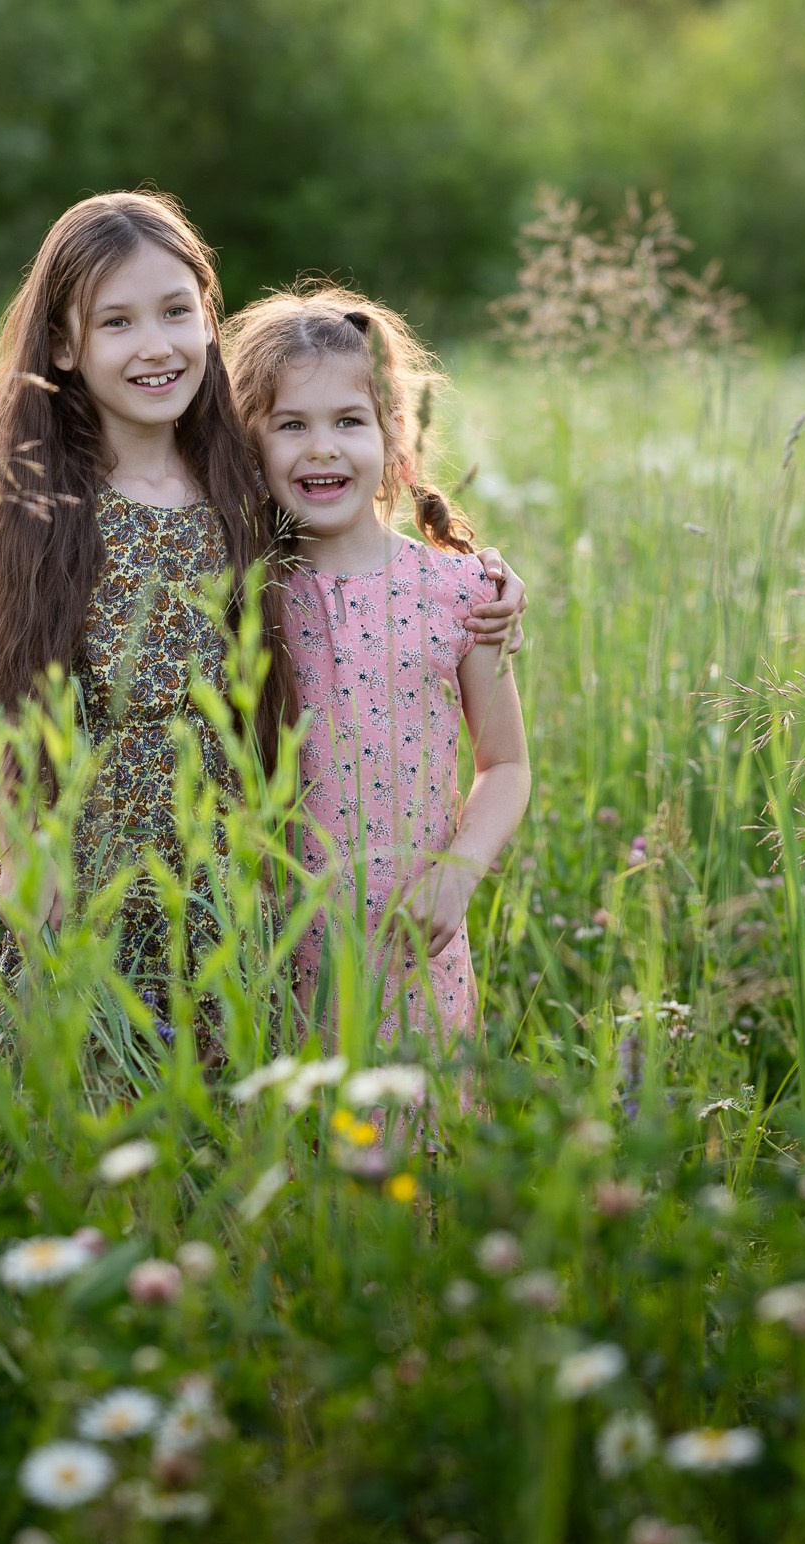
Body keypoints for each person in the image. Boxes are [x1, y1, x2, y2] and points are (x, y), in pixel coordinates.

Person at [0, 192, 525, 1012]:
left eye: (175, 311)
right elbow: (1, 690)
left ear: (208, 322)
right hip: (83, 892)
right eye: (117, 321)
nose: (156, 344)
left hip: (225, 906)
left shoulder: (238, 498)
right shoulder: (51, 502)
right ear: (63, 344)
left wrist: (487, 578)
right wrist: (19, 848)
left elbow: (358, 544)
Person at [223, 284, 531, 1049]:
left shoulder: (462, 590)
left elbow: (506, 764)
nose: (322, 447)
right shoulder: (241, 592)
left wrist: (458, 872)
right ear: (250, 443)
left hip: (414, 945)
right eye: (291, 424)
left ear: (394, 433)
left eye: (349, 421)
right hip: (274, 951)